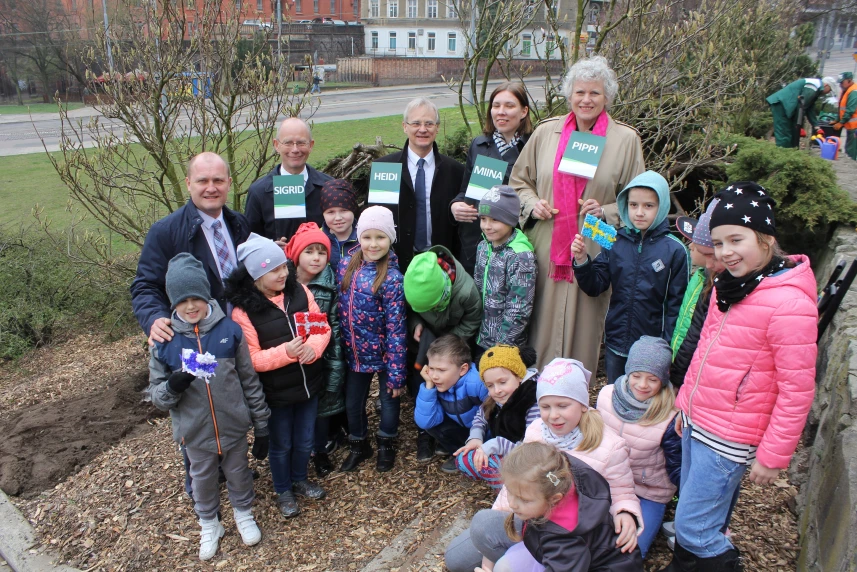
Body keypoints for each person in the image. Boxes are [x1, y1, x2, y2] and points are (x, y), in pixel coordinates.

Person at [664, 182, 817, 571]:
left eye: (736, 239)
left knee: (695, 526)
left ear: (766, 238)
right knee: (698, 515)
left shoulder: (788, 302)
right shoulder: (729, 286)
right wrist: (686, 406)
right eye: (718, 242)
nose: (726, 251)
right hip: (700, 420)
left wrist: (773, 454)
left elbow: (797, 388)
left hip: (730, 435)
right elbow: (705, 352)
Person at [509, 55, 645, 371]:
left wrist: (608, 210)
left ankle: (576, 399)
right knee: (539, 323)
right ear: (569, 95)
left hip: (595, 247)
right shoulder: (545, 133)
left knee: (585, 326)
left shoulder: (625, 140)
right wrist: (533, 204)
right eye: (580, 92)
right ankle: (537, 398)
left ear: (607, 97)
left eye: (594, 93)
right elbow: (518, 182)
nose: (586, 99)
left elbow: (638, 203)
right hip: (546, 247)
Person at [445, 358, 642, 572]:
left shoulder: (609, 446)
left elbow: (622, 491)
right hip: (531, 518)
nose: (553, 415)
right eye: (545, 406)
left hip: (570, 534)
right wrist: (503, 518)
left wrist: (625, 512)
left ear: (583, 405)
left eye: (562, 405)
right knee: (457, 559)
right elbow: (516, 480)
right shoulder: (537, 429)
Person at [149, 253, 270, 561]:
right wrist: (173, 385)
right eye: (181, 301)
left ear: (206, 296)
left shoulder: (229, 331)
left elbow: (249, 381)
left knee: (238, 471)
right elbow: (157, 397)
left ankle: (243, 513)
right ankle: (209, 523)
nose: (191, 307)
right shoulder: (165, 342)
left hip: (232, 425)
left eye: (196, 298)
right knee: (201, 480)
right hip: (195, 432)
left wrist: (261, 423)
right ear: (172, 303)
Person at [225, 233, 331, 519]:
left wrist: (313, 348)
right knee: (281, 443)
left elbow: (321, 327)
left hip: (308, 385)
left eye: (284, 266)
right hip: (277, 394)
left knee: (305, 439)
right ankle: (283, 489)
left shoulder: (300, 292)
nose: (284, 273)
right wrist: (286, 352)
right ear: (257, 275)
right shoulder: (244, 311)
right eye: (275, 270)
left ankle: (300, 478)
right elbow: (252, 359)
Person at [571, 170, 689, 383]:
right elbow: (595, 285)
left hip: (653, 347)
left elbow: (677, 307)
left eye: (648, 206)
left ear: (662, 206)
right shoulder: (615, 240)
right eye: (633, 205)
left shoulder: (675, 250)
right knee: (616, 395)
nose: (639, 212)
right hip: (616, 342)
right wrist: (581, 260)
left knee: (646, 404)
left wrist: (668, 348)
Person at [132, 151, 250, 346]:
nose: (211, 188)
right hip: (199, 343)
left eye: (218, 181)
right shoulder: (165, 232)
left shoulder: (240, 224)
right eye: (202, 181)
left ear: (229, 183)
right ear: (188, 184)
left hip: (247, 340)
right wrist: (154, 317)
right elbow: (146, 286)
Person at [486, 442, 644, 572]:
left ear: (554, 499)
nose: (512, 504)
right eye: (510, 492)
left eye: (524, 500)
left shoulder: (564, 539)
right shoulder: (560, 473)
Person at [595, 336, 681, 559]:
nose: (642, 385)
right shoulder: (606, 396)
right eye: (636, 376)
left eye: (652, 379)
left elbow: (678, 465)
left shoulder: (670, 415)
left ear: (663, 379)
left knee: (629, 553)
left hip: (647, 491)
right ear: (627, 372)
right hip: (608, 482)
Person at [337, 206, 407, 473]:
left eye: (381, 237)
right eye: (367, 237)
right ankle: (359, 444)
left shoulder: (392, 279)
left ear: (390, 239)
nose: (373, 244)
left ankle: (386, 444)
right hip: (355, 353)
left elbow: (397, 328)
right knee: (353, 403)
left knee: (390, 401)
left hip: (385, 356)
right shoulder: (346, 264)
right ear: (359, 237)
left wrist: (397, 373)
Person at [403, 245, 483, 462]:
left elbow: (473, 320)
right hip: (426, 339)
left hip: (455, 340)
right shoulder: (415, 283)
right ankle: (426, 434)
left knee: (452, 380)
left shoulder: (466, 292)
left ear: (445, 292)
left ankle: (463, 433)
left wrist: (450, 342)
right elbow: (411, 310)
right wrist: (417, 323)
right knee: (425, 377)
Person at [451, 82, 534, 275]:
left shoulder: (533, 146)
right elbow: (465, 191)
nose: (501, 112)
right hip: (475, 244)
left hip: (514, 247)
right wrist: (455, 205)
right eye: (496, 106)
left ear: (524, 111)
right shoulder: (479, 145)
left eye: (509, 106)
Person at [373, 97, 465, 271]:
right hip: (396, 265)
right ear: (405, 127)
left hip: (443, 264)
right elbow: (376, 220)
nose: (422, 129)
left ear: (437, 128)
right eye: (416, 123)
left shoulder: (455, 171)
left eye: (429, 124)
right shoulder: (385, 169)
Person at [284, 223, 346, 479]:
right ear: (297, 255)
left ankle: (319, 451)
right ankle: (293, 454)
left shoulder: (330, 285)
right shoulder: (282, 282)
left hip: (321, 356)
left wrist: (335, 364)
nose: (316, 258)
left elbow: (334, 327)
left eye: (322, 252)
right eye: (310, 251)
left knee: (321, 410)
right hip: (287, 356)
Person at [454, 344, 541, 490]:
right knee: (464, 459)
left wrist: (497, 444)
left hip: (531, 460)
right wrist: (475, 437)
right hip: (507, 455)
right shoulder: (496, 398)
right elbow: (480, 416)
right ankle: (508, 486)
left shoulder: (531, 400)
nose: (497, 390)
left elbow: (532, 447)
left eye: (502, 382)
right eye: (490, 385)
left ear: (518, 375)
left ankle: (515, 490)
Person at [244, 117, 333, 243]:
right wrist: (270, 248)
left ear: (311, 145)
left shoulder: (328, 187)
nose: (295, 149)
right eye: (288, 143)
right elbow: (249, 242)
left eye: (301, 143)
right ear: (276, 145)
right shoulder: (259, 192)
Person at [669, 199, 726, 388]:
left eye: (695, 243)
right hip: (680, 361)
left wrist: (677, 376)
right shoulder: (699, 276)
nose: (690, 247)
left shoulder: (715, 285)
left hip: (694, 374)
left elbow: (695, 336)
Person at [474, 185, 537, 352]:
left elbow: (519, 308)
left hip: (505, 346)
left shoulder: (520, 256)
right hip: (480, 338)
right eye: (483, 219)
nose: (487, 226)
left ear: (510, 220)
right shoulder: (482, 246)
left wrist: (502, 345)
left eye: (495, 220)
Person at [414, 334, 488, 473]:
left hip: (485, 431)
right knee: (432, 425)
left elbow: (495, 412)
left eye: (441, 370)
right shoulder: (437, 383)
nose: (435, 375)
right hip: (464, 428)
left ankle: (484, 455)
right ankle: (461, 454)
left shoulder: (476, 381)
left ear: (463, 369)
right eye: (432, 368)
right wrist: (429, 386)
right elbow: (425, 422)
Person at [766, 76, 836, 148]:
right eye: (829, 90)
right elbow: (801, 106)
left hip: (787, 106)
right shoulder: (812, 87)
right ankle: (783, 155)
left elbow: (810, 108)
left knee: (792, 135)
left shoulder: (815, 89)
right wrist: (799, 125)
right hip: (781, 104)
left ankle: (791, 154)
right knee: (784, 134)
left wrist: (816, 126)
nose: (828, 92)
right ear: (826, 85)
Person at [320, 178, 360, 273]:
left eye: (344, 210)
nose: (338, 217)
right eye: (331, 212)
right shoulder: (315, 238)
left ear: (353, 210)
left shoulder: (366, 237)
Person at [835, 72, 857, 160]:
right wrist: (837, 119)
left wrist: (841, 122)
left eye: (842, 82)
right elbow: (841, 108)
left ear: (849, 81)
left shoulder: (853, 92)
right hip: (850, 126)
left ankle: (851, 169)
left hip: (855, 127)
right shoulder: (845, 90)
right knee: (850, 148)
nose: (840, 85)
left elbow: (850, 110)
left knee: (851, 150)